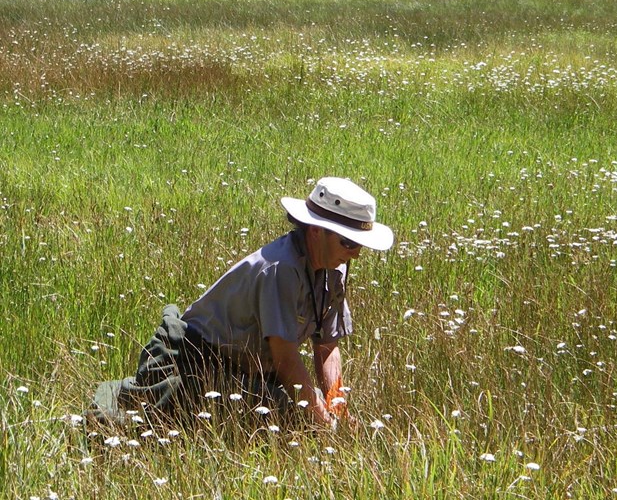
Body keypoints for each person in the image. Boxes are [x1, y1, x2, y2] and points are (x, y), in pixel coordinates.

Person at [90, 177, 393, 427]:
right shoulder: (281, 268)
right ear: (316, 231)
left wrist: (335, 407)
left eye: (360, 245)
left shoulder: (334, 270)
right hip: (195, 361)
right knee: (286, 414)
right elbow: (286, 357)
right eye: (349, 242)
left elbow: (327, 346)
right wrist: (321, 422)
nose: (356, 253)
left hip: (249, 369)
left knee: (306, 405)